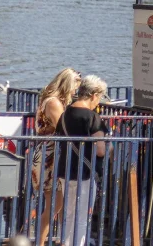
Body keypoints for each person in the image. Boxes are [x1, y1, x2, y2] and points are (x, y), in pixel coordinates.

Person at [56, 75, 108, 246]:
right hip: (84, 172)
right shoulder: (92, 118)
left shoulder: (65, 115)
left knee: (69, 215)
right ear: (94, 95)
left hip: (65, 170)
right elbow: (100, 150)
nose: (98, 102)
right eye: (99, 98)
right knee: (82, 217)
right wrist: (111, 146)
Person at [33, 68, 81, 245]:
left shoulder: (51, 100)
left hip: (51, 154)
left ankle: (65, 241)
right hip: (49, 156)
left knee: (59, 205)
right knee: (54, 204)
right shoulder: (53, 102)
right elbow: (63, 127)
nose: (75, 92)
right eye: (74, 88)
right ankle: (40, 242)